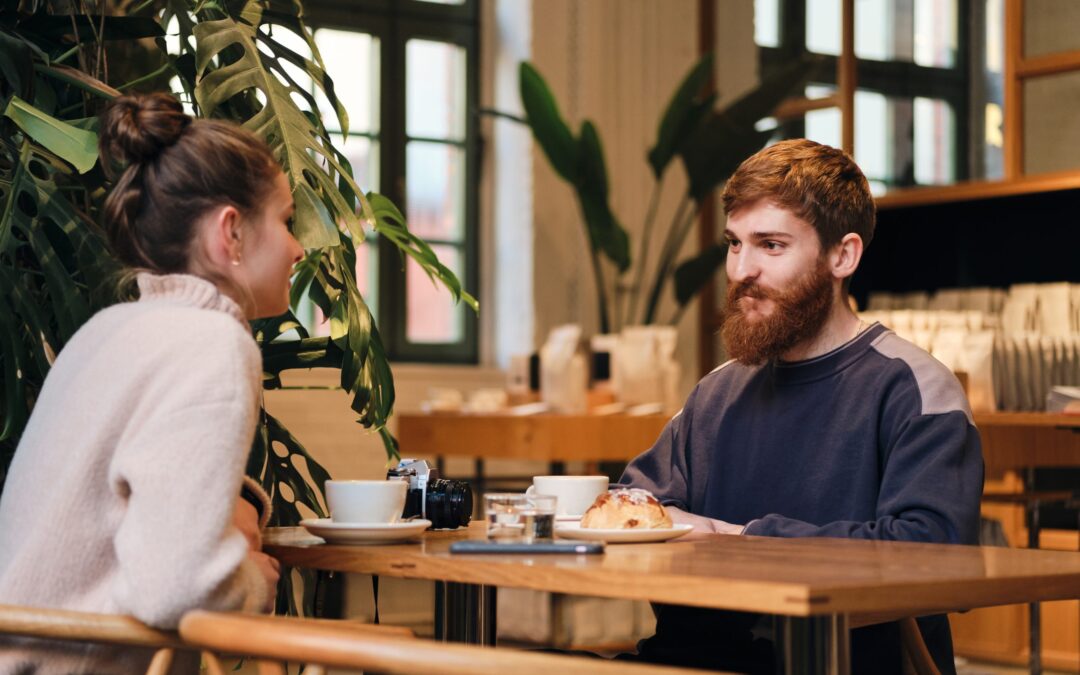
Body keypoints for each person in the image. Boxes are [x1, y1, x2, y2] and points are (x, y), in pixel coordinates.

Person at [621, 139, 984, 674]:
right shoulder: (715, 393)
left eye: (770, 245)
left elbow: (934, 553)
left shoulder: (914, 389)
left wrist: (736, 537)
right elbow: (633, 506)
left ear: (843, 255)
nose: (741, 269)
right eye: (734, 243)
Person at [0, 92, 303, 673]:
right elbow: (174, 588)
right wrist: (250, 582)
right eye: (286, 221)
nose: (298, 247)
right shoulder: (213, 344)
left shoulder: (107, 330)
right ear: (231, 233)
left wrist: (235, 506)